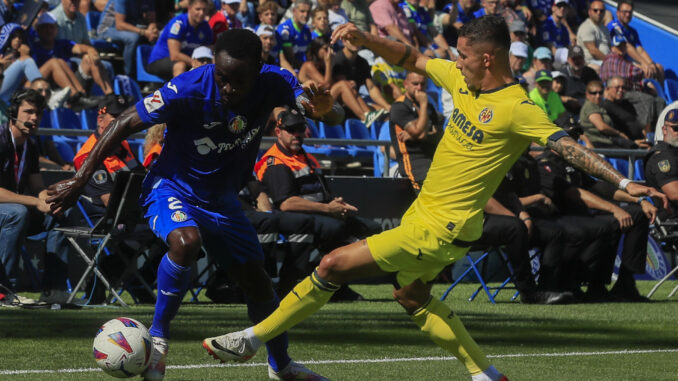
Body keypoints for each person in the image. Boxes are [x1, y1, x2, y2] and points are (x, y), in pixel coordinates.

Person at [204, 16, 667, 381]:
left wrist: (622, 183)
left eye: (464, 55)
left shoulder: (517, 107)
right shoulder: (463, 81)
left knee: (330, 266)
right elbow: (410, 57)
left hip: (438, 227)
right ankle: (484, 373)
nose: (456, 61)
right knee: (411, 295)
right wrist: (366, 38)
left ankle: (251, 339)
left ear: (488, 59)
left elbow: (567, 146)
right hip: (434, 221)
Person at [46, 29, 331, 381]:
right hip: (171, 188)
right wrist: (79, 180)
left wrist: (323, 109)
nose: (227, 88)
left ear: (259, 67)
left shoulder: (275, 81)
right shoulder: (188, 87)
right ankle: (159, 344)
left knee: (258, 284)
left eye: (237, 81)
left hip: (222, 200)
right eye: (222, 78)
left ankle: (281, 366)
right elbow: (122, 123)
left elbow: (316, 108)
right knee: (186, 241)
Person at [253, 108, 380, 298]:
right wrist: (328, 209)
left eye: (300, 129)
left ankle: (337, 284)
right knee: (336, 230)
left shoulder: (307, 157)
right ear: (278, 133)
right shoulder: (275, 162)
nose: (297, 134)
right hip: (296, 218)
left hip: (321, 213)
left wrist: (336, 204)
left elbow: (321, 193)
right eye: (291, 129)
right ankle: (323, 282)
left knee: (372, 228)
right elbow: (286, 204)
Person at [0, 89, 71, 304]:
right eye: (28, 112)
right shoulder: (1, 141)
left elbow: (37, 185)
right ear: (13, 112)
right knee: (17, 213)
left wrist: (50, 200)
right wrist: (35, 201)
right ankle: (4, 290)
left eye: (38, 113)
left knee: (60, 213)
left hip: (11, 209)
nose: (34, 118)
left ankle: (54, 290)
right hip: (9, 210)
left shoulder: (30, 145)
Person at [389, 71, 442, 191]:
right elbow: (418, 131)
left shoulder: (429, 108)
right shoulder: (399, 107)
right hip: (413, 163)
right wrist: (423, 104)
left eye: (422, 84)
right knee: (428, 196)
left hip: (432, 159)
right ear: (406, 84)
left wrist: (422, 135)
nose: (419, 88)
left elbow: (439, 135)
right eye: (415, 84)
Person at [148, 0, 212, 81]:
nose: (201, 13)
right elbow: (175, 55)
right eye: (198, 9)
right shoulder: (178, 23)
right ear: (189, 8)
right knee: (181, 65)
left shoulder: (205, 26)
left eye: (204, 10)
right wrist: (194, 62)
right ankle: (180, 92)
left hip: (189, 61)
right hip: (160, 60)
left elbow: (209, 49)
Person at [607, 0, 663, 84]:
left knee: (659, 68)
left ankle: (662, 96)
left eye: (630, 12)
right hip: (620, 62)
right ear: (618, 13)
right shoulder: (614, 26)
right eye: (625, 12)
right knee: (646, 71)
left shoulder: (633, 31)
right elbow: (627, 47)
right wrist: (644, 64)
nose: (628, 15)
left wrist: (651, 63)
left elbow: (640, 50)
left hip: (632, 62)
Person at [97, 0, 159, 75]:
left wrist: (152, 29)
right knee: (133, 38)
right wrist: (144, 32)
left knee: (160, 35)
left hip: (132, 28)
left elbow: (151, 20)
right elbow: (120, 25)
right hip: (108, 29)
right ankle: (129, 74)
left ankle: (154, 73)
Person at [579, 80, 641, 149]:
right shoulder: (590, 106)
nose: (598, 95)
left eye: (600, 92)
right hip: (598, 143)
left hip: (607, 141)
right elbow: (601, 127)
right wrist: (619, 133)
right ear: (587, 94)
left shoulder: (598, 106)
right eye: (594, 93)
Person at [645, 110, 678, 212]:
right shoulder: (662, 157)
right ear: (664, 130)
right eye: (676, 129)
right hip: (672, 222)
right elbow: (675, 194)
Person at [276, 0, 312, 72]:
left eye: (308, 12)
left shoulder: (307, 30)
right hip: (288, 70)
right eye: (302, 11)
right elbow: (290, 58)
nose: (305, 15)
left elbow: (309, 55)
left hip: (303, 68)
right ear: (294, 11)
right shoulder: (285, 29)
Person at [575, 0, 610, 68]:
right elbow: (593, 50)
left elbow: (609, 47)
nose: (598, 13)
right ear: (589, 12)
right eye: (595, 10)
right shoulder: (587, 27)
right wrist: (609, 61)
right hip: (590, 63)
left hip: (604, 62)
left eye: (601, 11)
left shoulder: (605, 29)